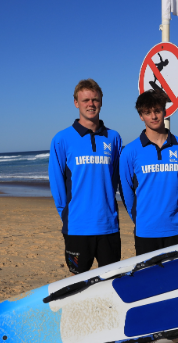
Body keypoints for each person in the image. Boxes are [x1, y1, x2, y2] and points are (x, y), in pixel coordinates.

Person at [119, 90, 178, 343]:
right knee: (149, 285)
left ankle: (177, 335)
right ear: (141, 116)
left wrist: (171, 211)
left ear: (166, 111)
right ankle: (152, 336)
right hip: (146, 231)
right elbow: (127, 192)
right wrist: (141, 218)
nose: (154, 115)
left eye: (158, 110)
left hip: (175, 227)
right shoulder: (130, 151)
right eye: (148, 112)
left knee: (177, 284)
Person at [48, 79, 123, 275]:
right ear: (76, 103)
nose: (91, 104)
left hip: (108, 226)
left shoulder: (114, 138)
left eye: (95, 100)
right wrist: (67, 215)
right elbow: (57, 184)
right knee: (79, 283)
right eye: (86, 100)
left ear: (101, 102)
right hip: (77, 227)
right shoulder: (62, 139)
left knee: (112, 282)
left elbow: (115, 178)